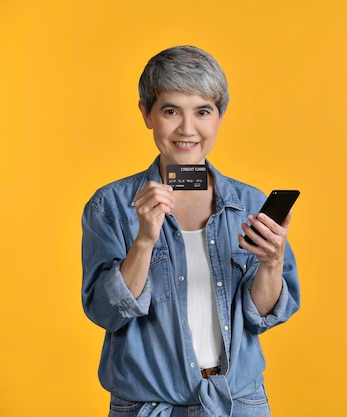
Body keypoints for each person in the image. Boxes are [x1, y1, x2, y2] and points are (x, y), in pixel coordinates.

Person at [81, 45, 300, 417]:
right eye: (170, 111)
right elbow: (105, 313)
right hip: (146, 407)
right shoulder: (111, 206)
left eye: (202, 111)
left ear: (219, 117)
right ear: (146, 114)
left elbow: (261, 317)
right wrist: (145, 240)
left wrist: (271, 262)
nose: (187, 129)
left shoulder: (249, 202)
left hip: (238, 404)